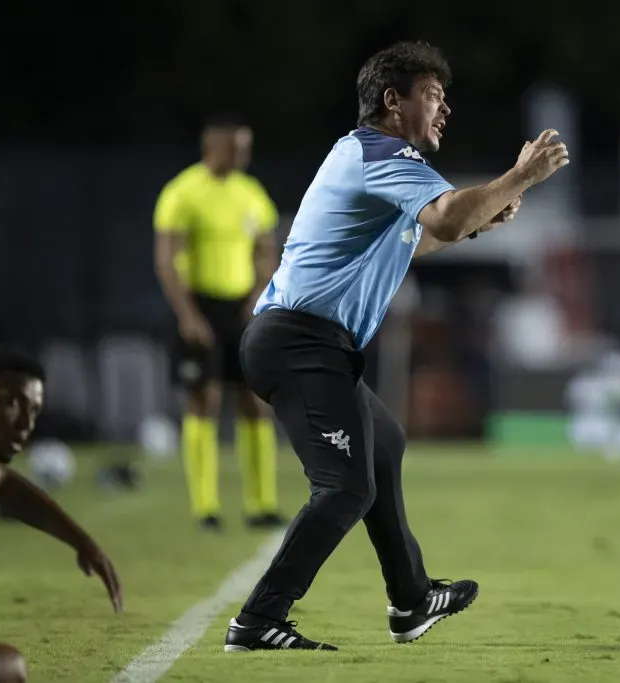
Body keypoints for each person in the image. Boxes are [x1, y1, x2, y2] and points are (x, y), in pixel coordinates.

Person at [223, 40, 569, 652]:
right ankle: (257, 621)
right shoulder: (383, 152)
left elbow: (420, 238)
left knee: (384, 442)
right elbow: (443, 219)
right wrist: (520, 176)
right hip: (300, 341)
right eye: (433, 95)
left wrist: (477, 219)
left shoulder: (367, 158)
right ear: (392, 100)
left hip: (305, 341)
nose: (445, 110)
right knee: (345, 489)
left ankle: (410, 600)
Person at [0, 346, 122, 683]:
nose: (25, 422)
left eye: (34, 410)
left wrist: (81, 542)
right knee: (5, 672)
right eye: (11, 402)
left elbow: (6, 486)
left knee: (7, 666)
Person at [153, 115, 287, 531]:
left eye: (246, 148)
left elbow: (267, 248)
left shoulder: (251, 193)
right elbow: (166, 260)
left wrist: (257, 295)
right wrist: (187, 315)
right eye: (236, 148)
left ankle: (261, 504)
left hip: (242, 308)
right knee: (204, 400)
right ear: (212, 147)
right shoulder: (183, 192)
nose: (243, 155)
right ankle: (205, 507)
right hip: (201, 306)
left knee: (255, 401)